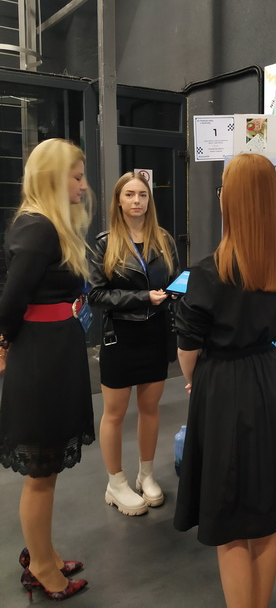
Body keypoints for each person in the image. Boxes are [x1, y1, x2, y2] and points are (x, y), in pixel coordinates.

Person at [174, 153, 276, 608]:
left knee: (228, 525)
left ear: (230, 198)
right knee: (265, 520)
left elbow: (187, 348)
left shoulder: (209, 272)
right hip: (269, 381)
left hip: (224, 387)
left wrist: (198, 382)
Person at [0, 138, 94, 601]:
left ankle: (44, 551)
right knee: (41, 473)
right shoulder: (38, 228)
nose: (83, 185)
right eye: (76, 176)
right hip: (41, 360)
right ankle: (39, 564)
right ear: (55, 179)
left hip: (53, 354)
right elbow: (10, 304)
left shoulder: (47, 227)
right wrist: (8, 345)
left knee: (48, 469)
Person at [88, 171, 179, 516]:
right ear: (118, 201)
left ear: (149, 200)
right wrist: (143, 297)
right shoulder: (105, 243)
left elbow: (176, 281)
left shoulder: (163, 240)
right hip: (120, 336)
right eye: (129, 194)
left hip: (155, 334)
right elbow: (97, 295)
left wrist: (176, 294)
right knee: (114, 413)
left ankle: (146, 475)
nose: (137, 200)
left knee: (151, 408)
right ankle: (116, 483)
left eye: (142, 194)